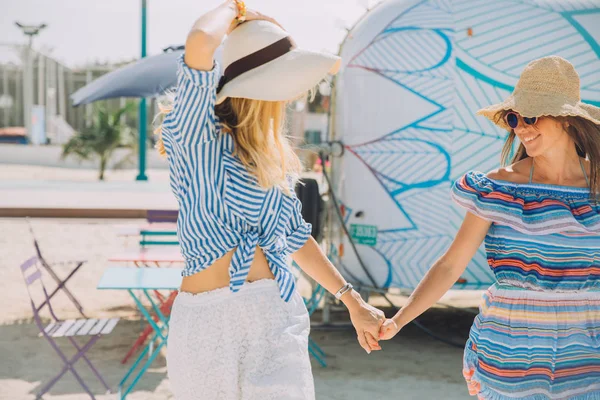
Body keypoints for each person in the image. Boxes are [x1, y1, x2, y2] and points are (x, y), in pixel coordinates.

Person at [155, 1, 385, 399]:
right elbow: (198, 42)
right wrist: (235, 9)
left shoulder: (270, 159)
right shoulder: (197, 140)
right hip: (209, 324)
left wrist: (351, 300)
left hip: (274, 313)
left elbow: (297, 238)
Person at [379, 56, 600, 399]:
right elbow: (452, 263)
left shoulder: (598, 188)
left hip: (586, 358)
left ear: (568, 120)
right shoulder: (498, 187)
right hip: (509, 355)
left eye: (531, 116)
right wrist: (399, 320)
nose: (521, 128)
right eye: (514, 118)